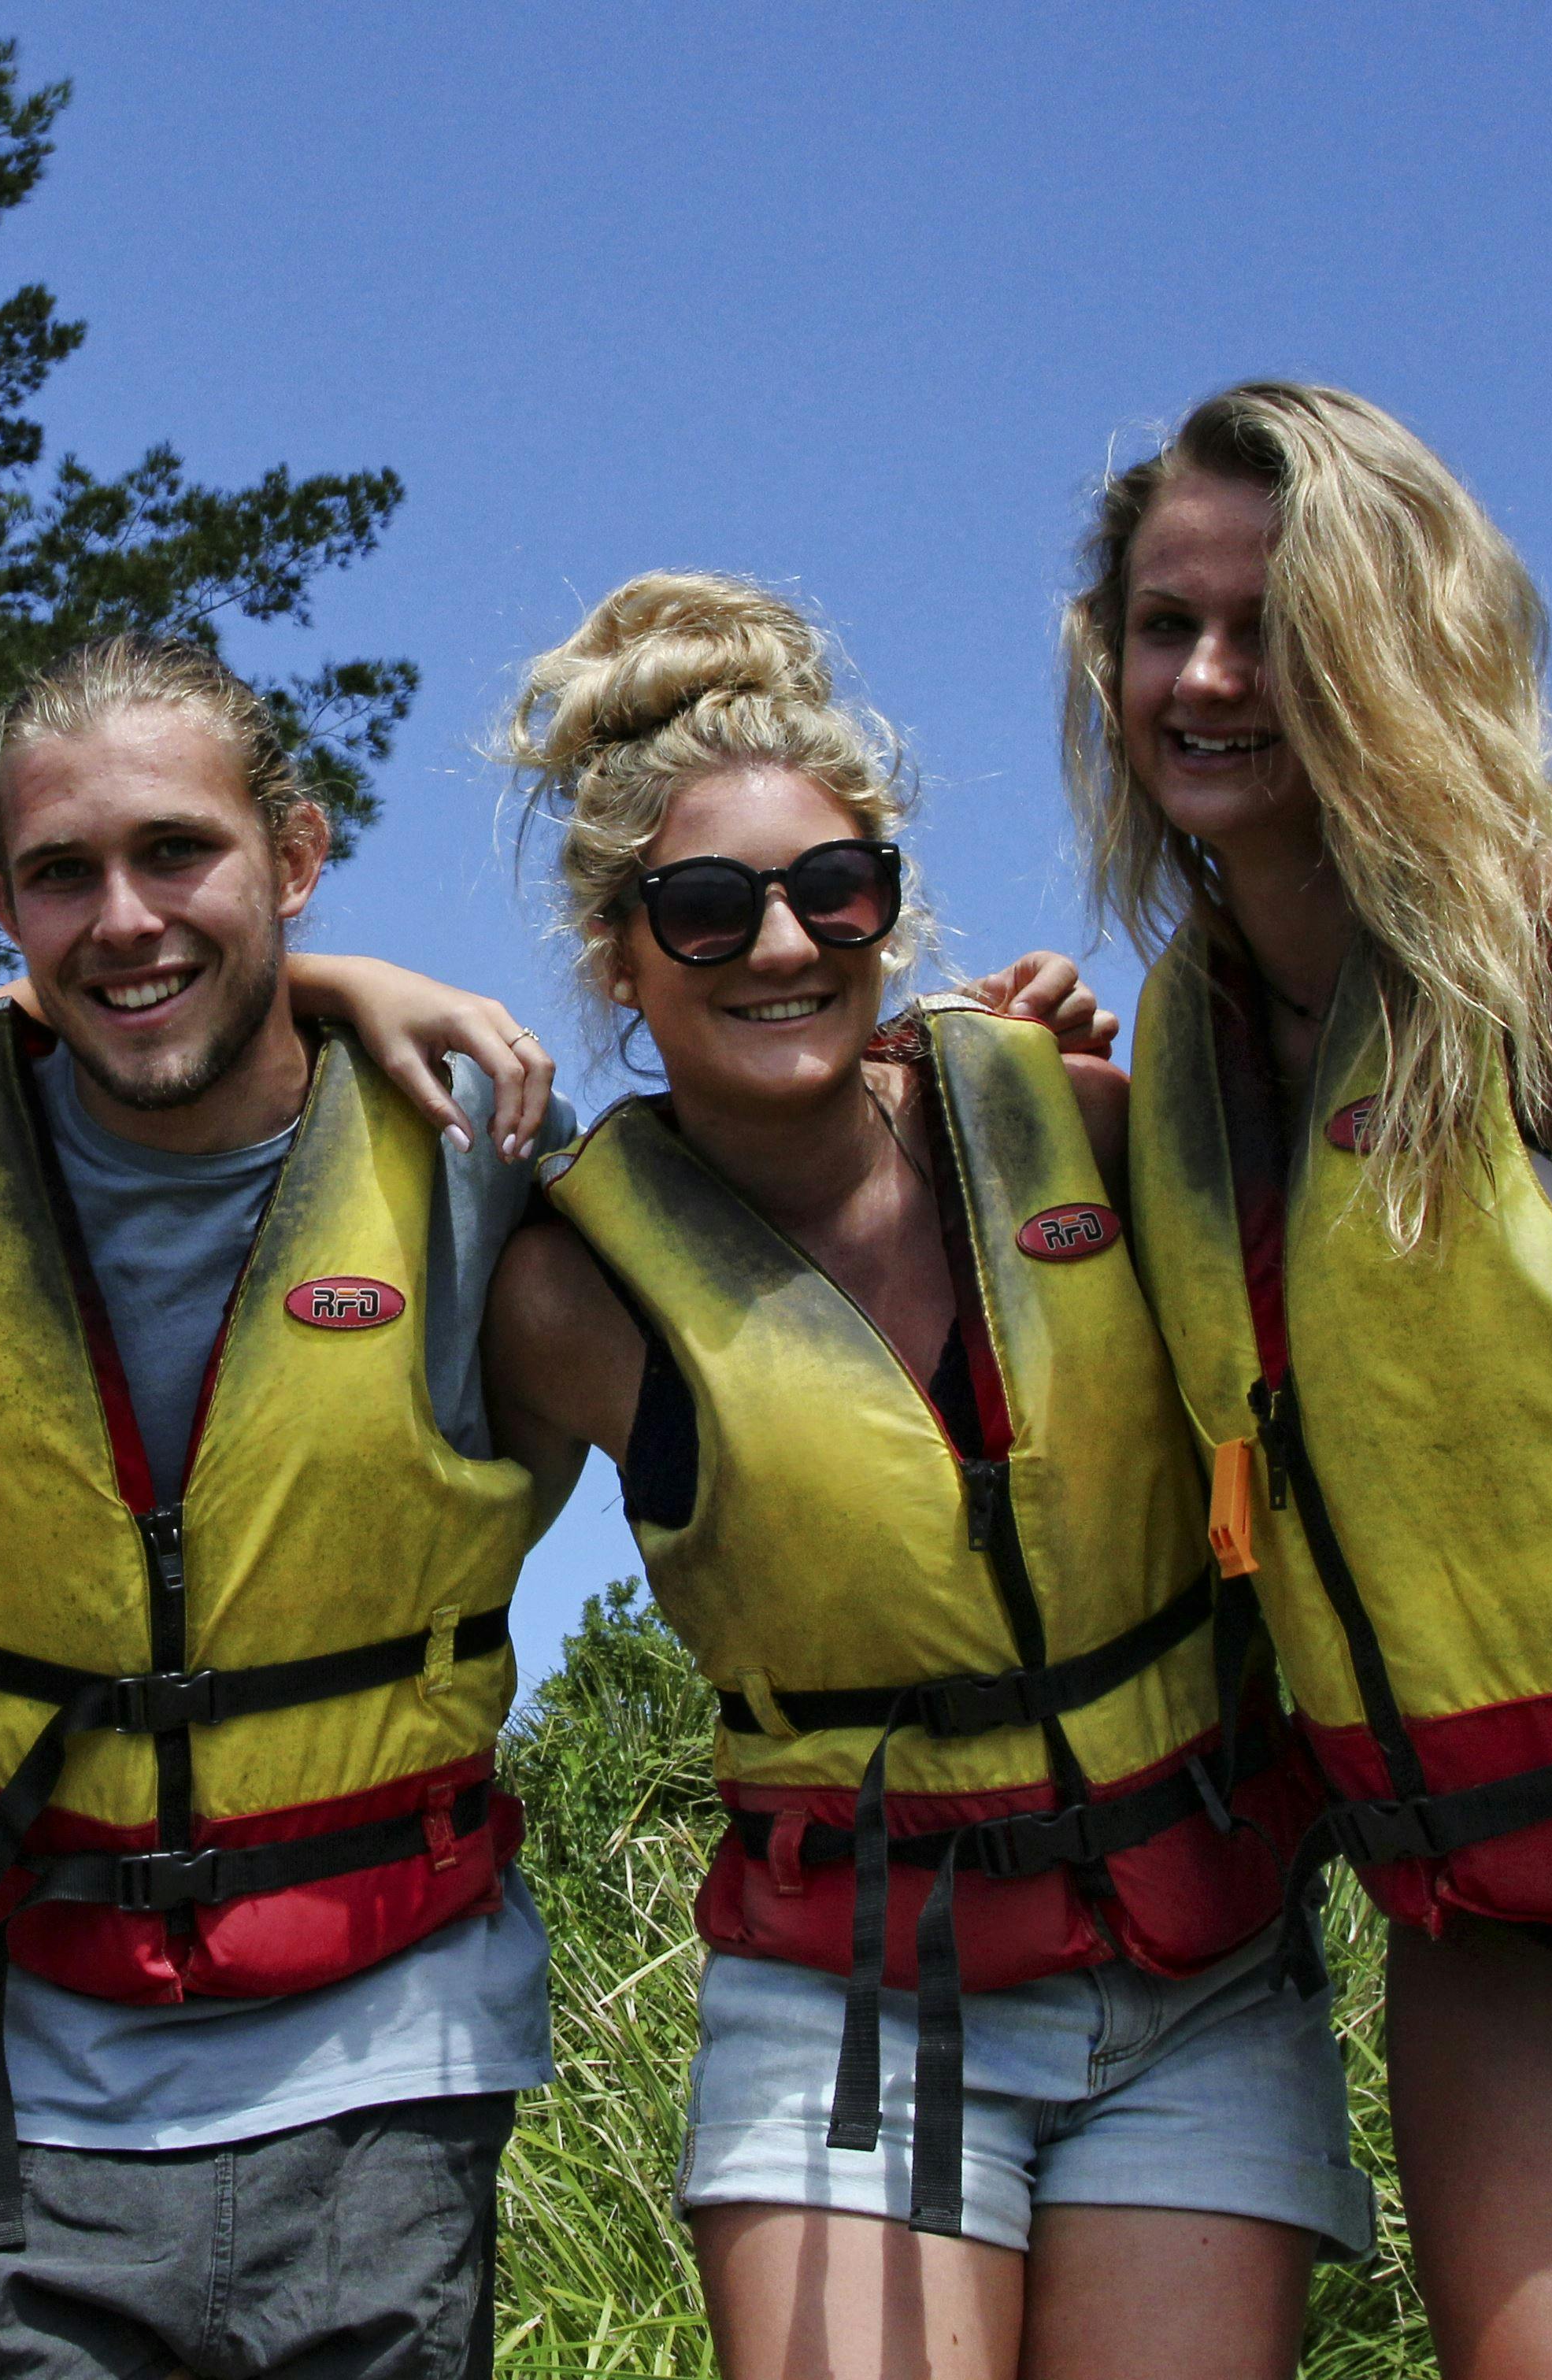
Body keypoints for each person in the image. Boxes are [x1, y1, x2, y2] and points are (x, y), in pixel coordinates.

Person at [476, 575, 1362, 2378]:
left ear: (888, 903)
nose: (782, 946)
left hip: (1196, 1965)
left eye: (832, 891)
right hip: (852, 2003)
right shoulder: (565, 1290)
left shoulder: (1076, 1123)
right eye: (703, 912)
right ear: (615, 960)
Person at [0, 636, 573, 2380]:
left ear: (295, 857)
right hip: (28, 2055)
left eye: (177, 853)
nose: (122, 917)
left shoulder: (467, 1147)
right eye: (58, 877)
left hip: (386, 2052)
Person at [1071, 382, 1552, 2374]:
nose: (1207, 678)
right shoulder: (1185, 1051)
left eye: (1274, 624)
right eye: (1163, 627)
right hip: (1500, 1928)